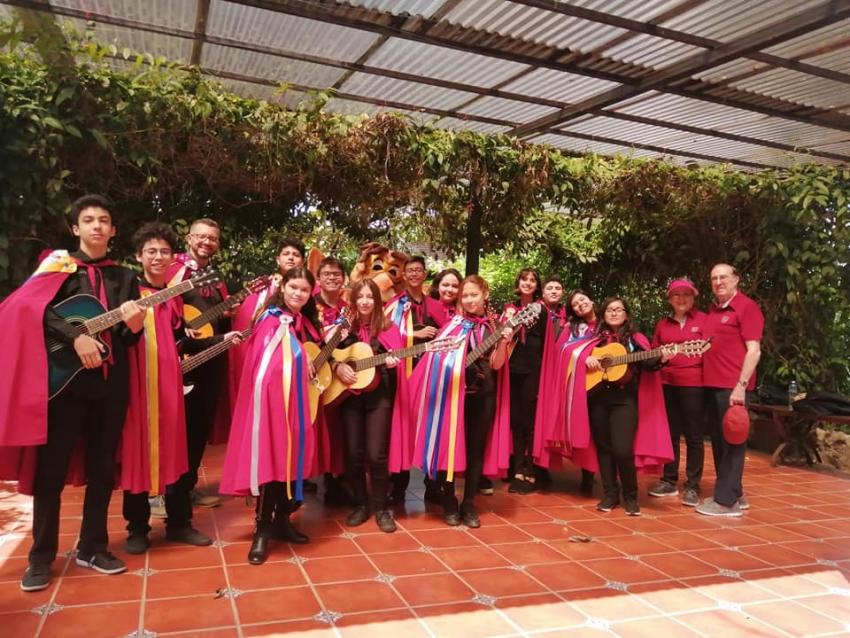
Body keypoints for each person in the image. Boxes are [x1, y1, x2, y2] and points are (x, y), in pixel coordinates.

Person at [0, 194, 145, 592]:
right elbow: (30, 310)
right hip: (63, 386)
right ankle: (41, 556)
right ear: (75, 228)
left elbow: (126, 337)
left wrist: (134, 328)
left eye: (104, 220)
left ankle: (93, 547)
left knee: (102, 469)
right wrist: (76, 336)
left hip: (109, 387)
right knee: (51, 472)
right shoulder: (57, 267)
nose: (97, 226)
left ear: (113, 231)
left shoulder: (125, 277)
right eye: (89, 220)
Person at [120, 223, 240, 553]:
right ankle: (137, 527)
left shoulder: (172, 300)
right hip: (139, 390)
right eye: (151, 251)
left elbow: (184, 339)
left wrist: (220, 339)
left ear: (173, 256)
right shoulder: (127, 292)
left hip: (172, 388)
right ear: (138, 256)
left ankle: (178, 523)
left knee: (178, 452)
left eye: (163, 252)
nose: (158, 257)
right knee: (138, 455)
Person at [221, 267, 321, 564]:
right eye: (294, 288)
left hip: (293, 404)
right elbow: (263, 367)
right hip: (270, 405)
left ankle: (281, 521)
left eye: (304, 290)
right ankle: (262, 530)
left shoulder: (299, 322)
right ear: (283, 287)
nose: (298, 294)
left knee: (287, 463)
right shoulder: (271, 319)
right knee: (270, 462)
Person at [412, 275, 512, 528]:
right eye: (464, 296)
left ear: (484, 294)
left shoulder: (495, 325)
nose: (468, 300)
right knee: (450, 446)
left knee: (476, 449)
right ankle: (449, 502)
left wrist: (504, 342)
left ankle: (469, 503)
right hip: (454, 394)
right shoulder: (452, 323)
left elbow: (497, 364)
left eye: (473, 295)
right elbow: (436, 362)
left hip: (484, 393)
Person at [584, 298, 674, 516]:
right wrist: (586, 360)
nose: (614, 313)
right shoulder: (593, 339)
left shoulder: (635, 339)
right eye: (609, 310)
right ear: (603, 314)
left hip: (624, 401)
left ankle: (631, 496)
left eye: (618, 310)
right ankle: (610, 494)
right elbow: (577, 358)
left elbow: (649, 364)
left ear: (626, 314)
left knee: (622, 450)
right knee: (604, 449)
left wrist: (663, 357)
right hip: (597, 398)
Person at [165, 218, 231, 513]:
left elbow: (220, 316)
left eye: (213, 238)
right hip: (181, 359)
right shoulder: (173, 269)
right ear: (189, 237)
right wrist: (179, 330)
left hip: (211, 357)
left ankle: (186, 488)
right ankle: (161, 492)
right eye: (202, 237)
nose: (207, 242)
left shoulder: (215, 278)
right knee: (175, 428)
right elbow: (160, 308)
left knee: (199, 426)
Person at [333, 279, 408, 533]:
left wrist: (392, 363)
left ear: (377, 301)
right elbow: (328, 354)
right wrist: (337, 366)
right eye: (360, 297)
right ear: (353, 300)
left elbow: (398, 359)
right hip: (349, 396)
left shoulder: (388, 327)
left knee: (377, 454)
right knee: (354, 454)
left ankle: (382, 507)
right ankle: (360, 504)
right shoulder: (344, 327)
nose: (365, 301)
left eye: (369, 297)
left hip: (379, 396)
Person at [696, 264, 763, 517]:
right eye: (714, 278)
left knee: (733, 442)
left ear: (736, 279)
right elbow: (704, 347)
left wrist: (741, 386)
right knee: (719, 442)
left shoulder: (747, 308)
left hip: (733, 388)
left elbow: (754, 350)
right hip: (711, 386)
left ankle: (725, 502)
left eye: (723, 277)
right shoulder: (713, 311)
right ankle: (735, 493)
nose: (718, 281)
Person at [385, 256, 448, 504]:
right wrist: (414, 333)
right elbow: (385, 334)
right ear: (403, 274)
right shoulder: (395, 303)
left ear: (424, 274)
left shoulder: (435, 305)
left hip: (430, 377)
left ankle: (432, 486)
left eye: (418, 270)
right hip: (404, 375)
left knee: (430, 429)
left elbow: (446, 335)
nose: (413, 274)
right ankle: (397, 487)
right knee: (402, 430)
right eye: (409, 270)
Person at [648, 278, 707, 507]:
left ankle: (692, 485)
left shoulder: (703, 320)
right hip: (667, 383)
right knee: (670, 434)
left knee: (694, 436)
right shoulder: (663, 324)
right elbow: (654, 354)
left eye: (686, 295)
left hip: (694, 384)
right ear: (670, 299)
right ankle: (669, 479)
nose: (681, 299)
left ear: (693, 298)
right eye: (676, 295)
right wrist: (661, 356)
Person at [503, 269, 544, 494]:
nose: (528, 283)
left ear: (537, 286)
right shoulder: (508, 308)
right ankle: (516, 468)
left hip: (533, 371)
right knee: (516, 421)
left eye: (532, 280)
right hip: (512, 370)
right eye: (524, 279)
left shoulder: (541, 310)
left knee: (529, 422)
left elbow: (547, 343)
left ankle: (530, 469)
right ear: (518, 282)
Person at [313, 256, 349, 506]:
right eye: (327, 274)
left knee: (342, 431)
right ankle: (323, 478)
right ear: (318, 278)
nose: (332, 278)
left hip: (346, 377)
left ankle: (339, 481)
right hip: (320, 377)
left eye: (337, 274)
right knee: (322, 430)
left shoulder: (350, 307)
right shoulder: (310, 307)